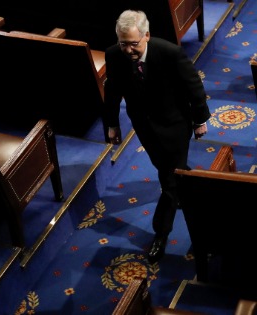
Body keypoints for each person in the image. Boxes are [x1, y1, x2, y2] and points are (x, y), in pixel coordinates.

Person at [102, 10, 210, 263]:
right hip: (145, 127)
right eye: (123, 43)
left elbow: (193, 85)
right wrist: (112, 125)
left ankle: (160, 234)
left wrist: (199, 120)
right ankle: (195, 187)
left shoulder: (170, 52)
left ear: (146, 36)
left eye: (133, 44)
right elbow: (113, 90)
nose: (128, 50)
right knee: (170, 169)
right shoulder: (113, 54)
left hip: (175, 125)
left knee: (169, 181)